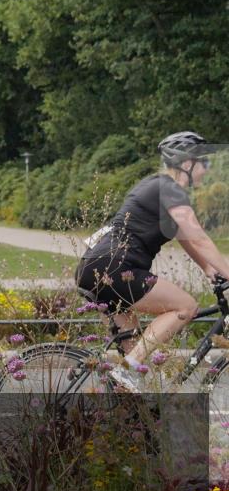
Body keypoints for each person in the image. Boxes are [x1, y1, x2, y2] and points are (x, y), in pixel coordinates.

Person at [75, 131, 229, 392]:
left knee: (136, 358)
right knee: (185, 307)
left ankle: (130, 416)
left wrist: (209, 269)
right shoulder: (170, 189)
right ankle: (127, 370)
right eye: (205, 162)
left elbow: (186, 238)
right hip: (115, 269)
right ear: (187, 163)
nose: (207, 169)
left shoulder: (159, 187)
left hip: (98, 269)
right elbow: (201, 239)